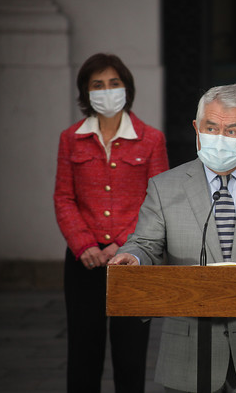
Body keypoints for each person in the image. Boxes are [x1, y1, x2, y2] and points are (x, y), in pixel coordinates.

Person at [108, 83, 236, 393]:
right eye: (211, 127)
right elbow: (146, 244)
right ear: (196, 129)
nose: (219, 138)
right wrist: (133, 258)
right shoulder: (165, 187)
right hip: (189, 349)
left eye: (232, 130)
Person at [54, 53, 169, 393]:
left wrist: (124, 243)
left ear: (127, 89)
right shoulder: (71, 138)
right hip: (83, 262)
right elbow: (64, 198)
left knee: (131, 359)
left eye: (114, 83)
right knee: (83, 357)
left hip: (133, 262)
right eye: (98, 85)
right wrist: (85, 245)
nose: (107, 91)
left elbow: (156, 201)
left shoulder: (151, 139)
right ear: (86, 93)